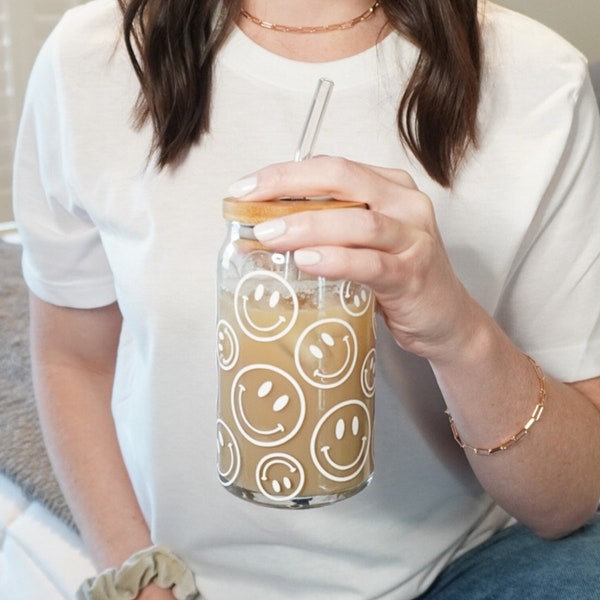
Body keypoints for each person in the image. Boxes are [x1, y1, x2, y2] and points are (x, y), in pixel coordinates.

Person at [12, 0, 600, 598]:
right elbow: (74, 361)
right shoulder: (93, 56)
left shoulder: (541, 78)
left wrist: (458, 333)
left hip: (465, 563)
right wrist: (138, 574)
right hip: (189, 573)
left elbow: (569, 501)